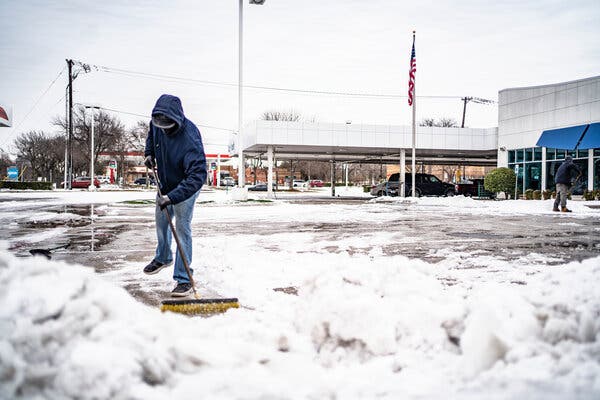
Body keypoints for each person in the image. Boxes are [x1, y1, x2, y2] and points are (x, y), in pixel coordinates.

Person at [143, 94, 207, 296]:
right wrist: (149, 153)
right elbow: (151, 138)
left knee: (181, 229)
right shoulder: (157, 123)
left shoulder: (190, 138)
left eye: (167, 125)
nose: (163, 128)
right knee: (161, 221)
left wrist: (172, 197)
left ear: (176, 119)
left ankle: (184, 278)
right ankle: (163, 257)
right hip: (166, 183)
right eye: (159, 124)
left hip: (186, 187)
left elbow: (198, 175)